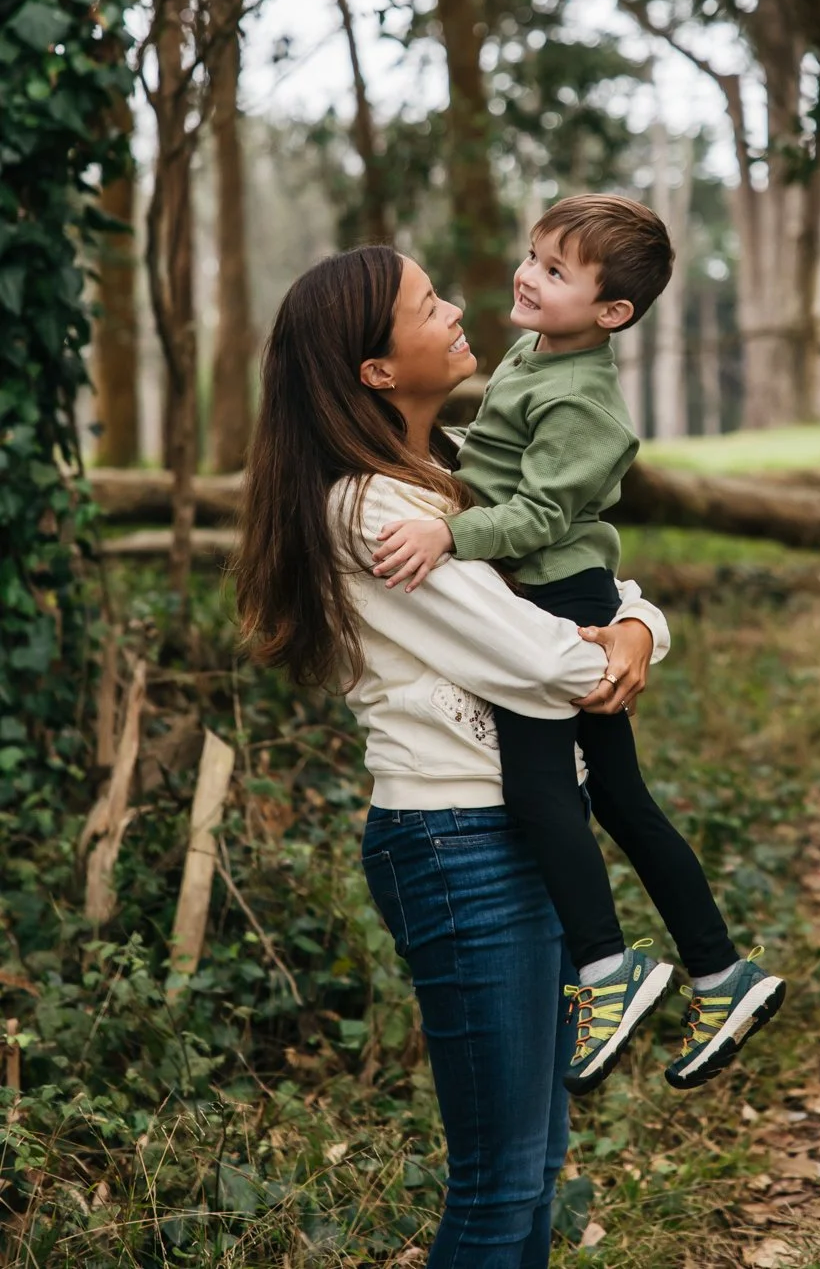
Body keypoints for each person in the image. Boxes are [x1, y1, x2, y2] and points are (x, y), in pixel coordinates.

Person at [232, 245, 673, 1268]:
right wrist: (614, 642)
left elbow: (588, 589)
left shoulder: (451, 478)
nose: (456, 308)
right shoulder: (373, 510)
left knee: (536, 1172)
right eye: (428, 304)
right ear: (377, 371)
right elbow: (549, 659)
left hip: (517, 833)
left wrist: (638, 630)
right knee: (499, 1184)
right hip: (455, 846)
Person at [370, 195, 786, 1095]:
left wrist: (449, 534)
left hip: (560, 597)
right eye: (533, 255)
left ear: (612, 314)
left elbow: (542, 515)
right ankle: (718, 973)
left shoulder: (585, 402)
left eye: (556, 271)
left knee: (543, 790)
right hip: (558, 590)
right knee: (622, 800)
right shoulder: (534, 351)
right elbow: (495, 460)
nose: (528, 275)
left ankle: (608, 969)